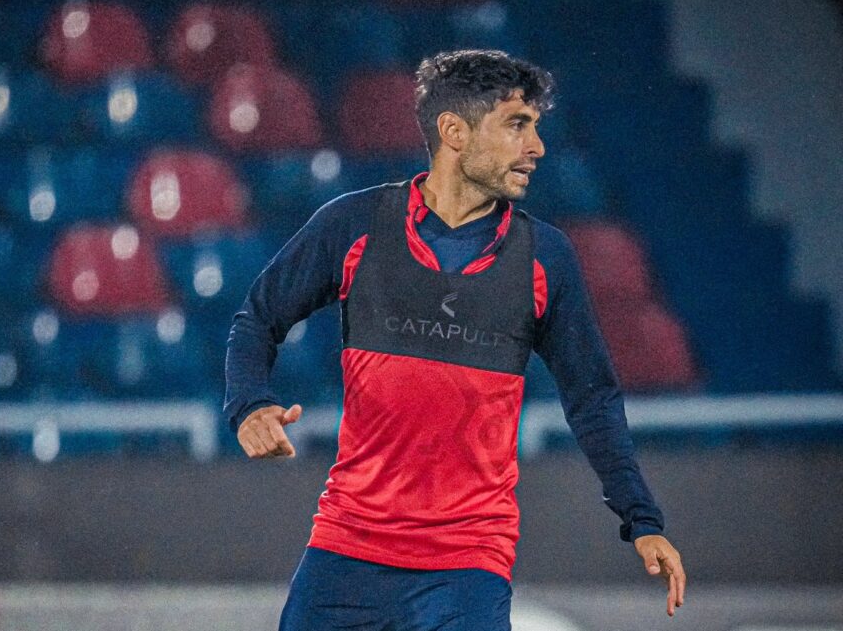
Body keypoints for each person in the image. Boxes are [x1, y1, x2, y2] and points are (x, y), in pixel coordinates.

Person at [224, 49, 687, 630]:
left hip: (468, 564)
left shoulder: (546, 258)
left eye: (536, 127)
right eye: (517, 125)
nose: (537, 147)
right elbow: (257, 318)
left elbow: (592, 398)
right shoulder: (355, 225)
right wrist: (249, 404)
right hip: (346, 548)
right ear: (454, 132)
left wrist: (641, 519)